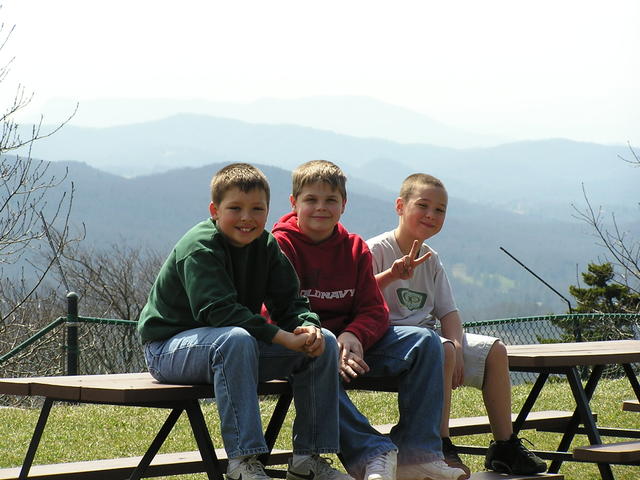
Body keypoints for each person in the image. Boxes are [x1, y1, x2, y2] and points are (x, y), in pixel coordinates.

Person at [137, 163, 352, 480]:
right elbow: (219, 311)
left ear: (268, 210)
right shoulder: (200, 247)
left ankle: (309, 460)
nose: (246, 218)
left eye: (257, 209)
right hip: (168, 349)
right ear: (215, 210)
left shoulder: (266, 246)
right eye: (235, 208)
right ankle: (244, 463)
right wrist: (281, 338)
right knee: (235, 338)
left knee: (325, 344)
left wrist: (308, 326)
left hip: (233, 347)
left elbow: (290, 302)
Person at [270, 160, 467, 480]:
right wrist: (328, 340)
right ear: (294, 203)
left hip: (354, 345)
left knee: (427, 341)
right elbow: (274, 312)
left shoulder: (354, 248)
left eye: (331, 200)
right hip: (304, 347)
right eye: (311, 200)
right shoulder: (280, 247)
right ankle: (374, 453)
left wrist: (354, 335)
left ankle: (418, 454)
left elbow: (374, 309)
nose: (321, 208)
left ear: (344, 205)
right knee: (322, 352)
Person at [366, 173, 548, 476]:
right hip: (389, 342)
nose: (431, 215)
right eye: (422, 205)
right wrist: (450, 347)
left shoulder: (431, 258)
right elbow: (359, 298)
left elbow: (448, 313)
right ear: (400, 205)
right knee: (443, 347)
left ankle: (504, 445)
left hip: (431, 339)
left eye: (440, 210)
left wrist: (460, 345)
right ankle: (439, 444)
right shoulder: (376, 250)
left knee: (494, 351)